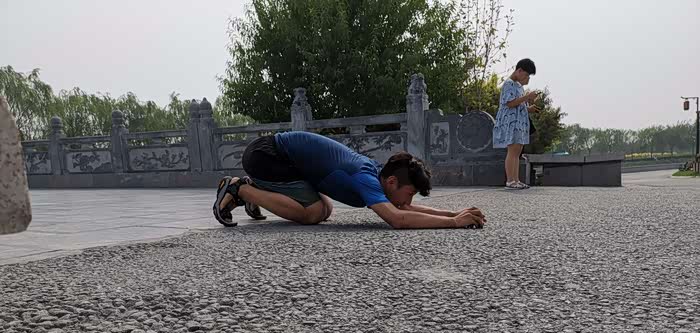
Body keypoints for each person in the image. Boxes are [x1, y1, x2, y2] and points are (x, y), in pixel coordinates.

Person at [213, 131, 485, 229]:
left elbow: (405, 209)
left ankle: (259, 188)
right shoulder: (366, 178)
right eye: (410, 193)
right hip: (266, 157)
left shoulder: (380, 175)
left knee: (326, 209)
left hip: (278, 160)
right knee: (313, 212)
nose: (409, 201)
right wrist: (453, 223)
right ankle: (240, 189)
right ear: (392, 182)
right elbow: (398, 219)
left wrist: (454, 213)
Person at [493, 58, 540, 189]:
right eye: (526, 75)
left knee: (517, 151)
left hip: (519, 123)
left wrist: (529, 108)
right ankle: (510, 180)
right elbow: (509, 103)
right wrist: (527, 97)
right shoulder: (508, 84)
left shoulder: (518, 86)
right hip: (511, 122)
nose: (527, 78)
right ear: (519, 70)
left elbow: (518, 104)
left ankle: (516, 179)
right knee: (513, 151)